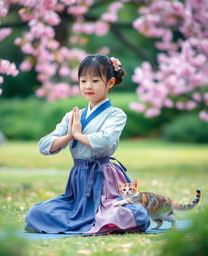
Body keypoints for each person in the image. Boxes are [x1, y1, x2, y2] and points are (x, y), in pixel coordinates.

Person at [25, 54, 150, 234]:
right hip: (78, 186)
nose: (88, 86)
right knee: (35, 214)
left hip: (106, 182)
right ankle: (89, 220)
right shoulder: (72, 116)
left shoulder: (116, 115)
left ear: (110, 83)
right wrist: (69, 135)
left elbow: (104, 140)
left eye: (95, 81)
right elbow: (44, 146)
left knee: (130, 214)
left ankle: (102, 218)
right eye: (83, 81)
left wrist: (78, 134)